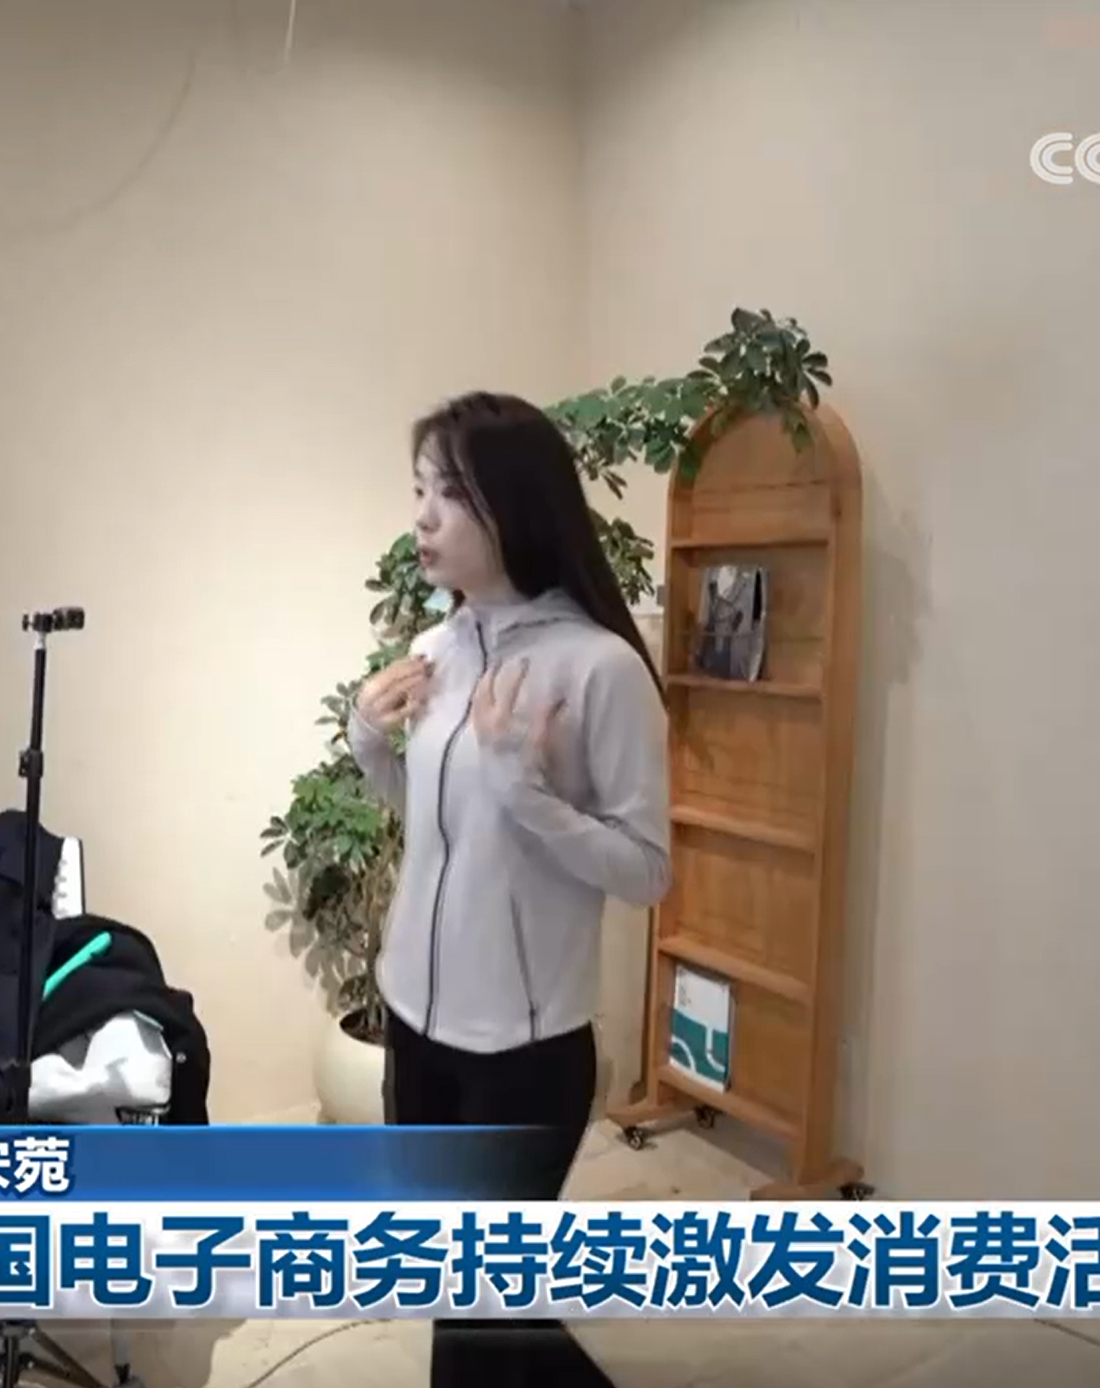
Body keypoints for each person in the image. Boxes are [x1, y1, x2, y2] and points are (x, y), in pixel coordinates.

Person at [349, 391, 671, 1388]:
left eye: (449, 493)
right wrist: (370, 744)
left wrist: (529, 795)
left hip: (522, 1051)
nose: (422, 517)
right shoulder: (437, 650)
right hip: (415, 1023)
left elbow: (647, 869)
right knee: (476, 1299)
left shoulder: (599, 668)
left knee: (477, 1321)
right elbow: (447, 829)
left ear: (514, 505)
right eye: (419, 490)